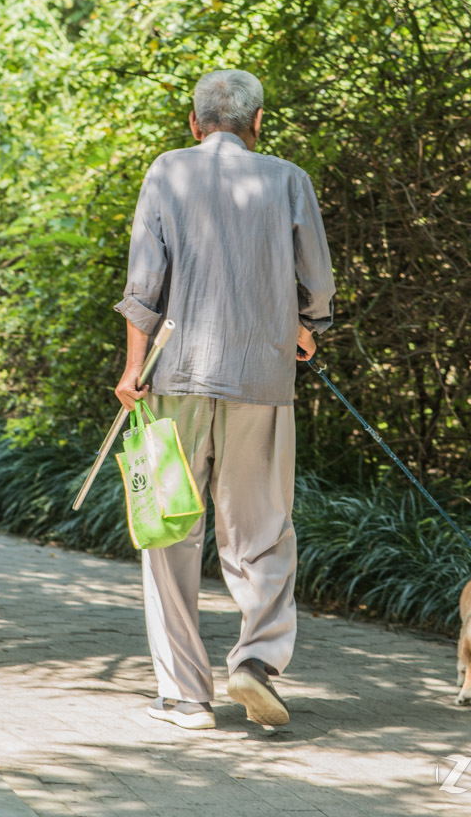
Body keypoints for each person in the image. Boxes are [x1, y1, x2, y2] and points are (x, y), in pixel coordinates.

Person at [113, 69, 335, 730]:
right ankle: (256, 663)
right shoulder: (288, 179)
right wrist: (307, 328)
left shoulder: (167, 171)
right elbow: (316, 281)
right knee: (261, 530)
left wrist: (132, 372)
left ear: (194, 123)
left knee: (170, 531)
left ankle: (186, 697)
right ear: (258, 123)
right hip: (262, 378)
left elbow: (143, 284)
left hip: (174, 376)